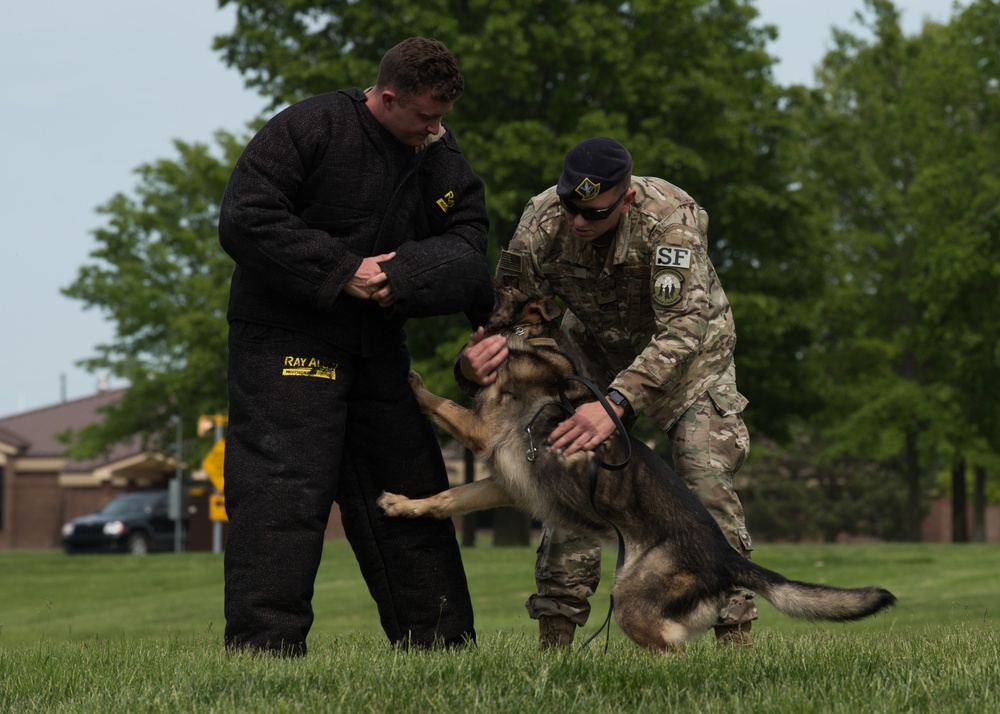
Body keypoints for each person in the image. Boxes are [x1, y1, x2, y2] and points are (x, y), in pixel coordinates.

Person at [218, 37, 494, 656]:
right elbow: (246, 215)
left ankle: (441, 648)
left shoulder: (436, 153)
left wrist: (399, 277)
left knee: (410, 484)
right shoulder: (309, 126)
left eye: (443, 116)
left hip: (375, 346)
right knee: (283, 491)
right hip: (287, 337)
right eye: (425, 116)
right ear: (388, 96)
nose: (436, 129)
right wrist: (345, 269)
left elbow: (468, 242)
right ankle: (265, 652)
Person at [459, 138, 757, 649]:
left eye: (593, 212)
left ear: (626, 199)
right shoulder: (542, 221)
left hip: (688, 365)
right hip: (591, 358)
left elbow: (683, 327)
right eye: (571, 205)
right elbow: (512, 310)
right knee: (568, 473)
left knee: (702, 480)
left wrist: (616, 405)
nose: (578, 221)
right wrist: (476, 365)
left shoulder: (670, 220)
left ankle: (734, 638)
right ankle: (555, 642)